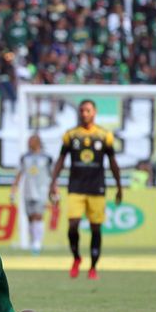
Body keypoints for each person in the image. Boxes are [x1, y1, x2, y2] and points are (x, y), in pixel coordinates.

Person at [49, 100, 122, 280]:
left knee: (95, 227)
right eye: (82, 110)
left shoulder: (104, 135)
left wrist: (119, 185)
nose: (84, 113)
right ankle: (76, 258)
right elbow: (61, 159)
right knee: (73, 224)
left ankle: (93, 267)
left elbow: (113, 162)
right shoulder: (71, 135)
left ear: (94, 112)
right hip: (76, 187)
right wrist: (53, 182)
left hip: (97, 187)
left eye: (87, 110)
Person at [11, 135, 53, 254]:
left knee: (38, 215)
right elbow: (19, 173)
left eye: (31, 141)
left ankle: (37, 243)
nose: (29, 143)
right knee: (30, 217)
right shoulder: (25, 157)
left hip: (41, 190)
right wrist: (14, 189)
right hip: (28, 191)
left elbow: (52, 174)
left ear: (37, 142)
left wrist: (54, 189)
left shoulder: (46, 157)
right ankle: (33, 241)